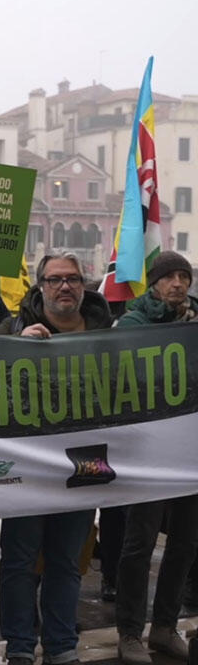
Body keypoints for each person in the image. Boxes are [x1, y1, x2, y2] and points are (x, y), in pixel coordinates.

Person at [0, 251, 113, 665]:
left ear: (84, 285)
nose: (65, 286)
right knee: (19, 561)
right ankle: (20, 646)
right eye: (55, 279)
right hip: (27, 464)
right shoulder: (14, 328)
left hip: (84, 460)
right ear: (40, 286)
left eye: (73, 279)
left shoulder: (106, 333)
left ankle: (61, 645)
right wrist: (13, 348)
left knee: (66, 560)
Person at [113, 251, 198, 664]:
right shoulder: (134, 323)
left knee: (185, 542)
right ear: (154, 283)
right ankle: (130, 632)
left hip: (190, 452)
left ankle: (165, 626)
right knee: (140, 543)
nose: (178, 283)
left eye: (184, 276)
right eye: (169, 277)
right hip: (149, 450)